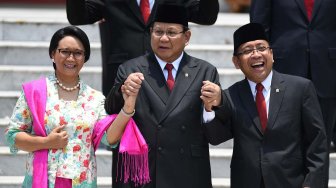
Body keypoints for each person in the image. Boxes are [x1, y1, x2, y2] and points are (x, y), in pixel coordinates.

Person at [4, 26, 139, 187]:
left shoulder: (95, 98)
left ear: (85, 58)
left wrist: (128, 108)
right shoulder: (35, 92)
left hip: (82, 182)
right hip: (44, 181)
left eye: (78, 53)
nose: (71, 58)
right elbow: (13, 136)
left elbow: (109, 138)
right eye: (65, 51)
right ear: (52, 54)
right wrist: (46, 142)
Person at [104, 3, 221, 188]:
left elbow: (216, 136)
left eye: (171, 32)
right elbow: (110, 109)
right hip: (144, 171)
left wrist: (210, 108)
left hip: (188, 172)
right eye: (158, 32)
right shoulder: (130, 69)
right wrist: (123, 91)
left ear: (187, 36)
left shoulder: (205, 71)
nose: (163, 38)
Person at [201, 23, 327, 188]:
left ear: (272, 54)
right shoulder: (231, 95)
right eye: (247, 51)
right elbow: (217, 138)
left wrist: (312, 184)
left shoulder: (300, 89)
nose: (256, 54)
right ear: (236, 62)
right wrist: (209, 107)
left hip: (291, 182)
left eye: (261, 48)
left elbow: (317, 143)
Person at [249, 1, 336, 186]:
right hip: (283, 69)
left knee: (321, 144)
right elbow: (258, 27)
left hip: (327, 71)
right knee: (282, 143)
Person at [66, 0, 219, 96]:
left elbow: (207, 16)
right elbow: (77, 16)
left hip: (166, 81)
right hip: (122, 84)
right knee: (123, 145)